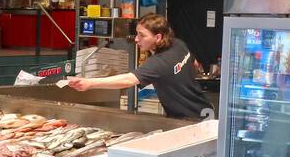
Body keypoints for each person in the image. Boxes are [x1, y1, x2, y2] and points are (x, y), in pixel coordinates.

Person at [67, 14, 209, 119]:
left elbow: (129, 80)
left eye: (142, 35)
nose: (136, 39)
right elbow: (195, 64)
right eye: (136, 34)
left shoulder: (159, 62)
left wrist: (89, 83)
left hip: (189, 119)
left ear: (158, 37)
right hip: (205, 109)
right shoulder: (178, 44)